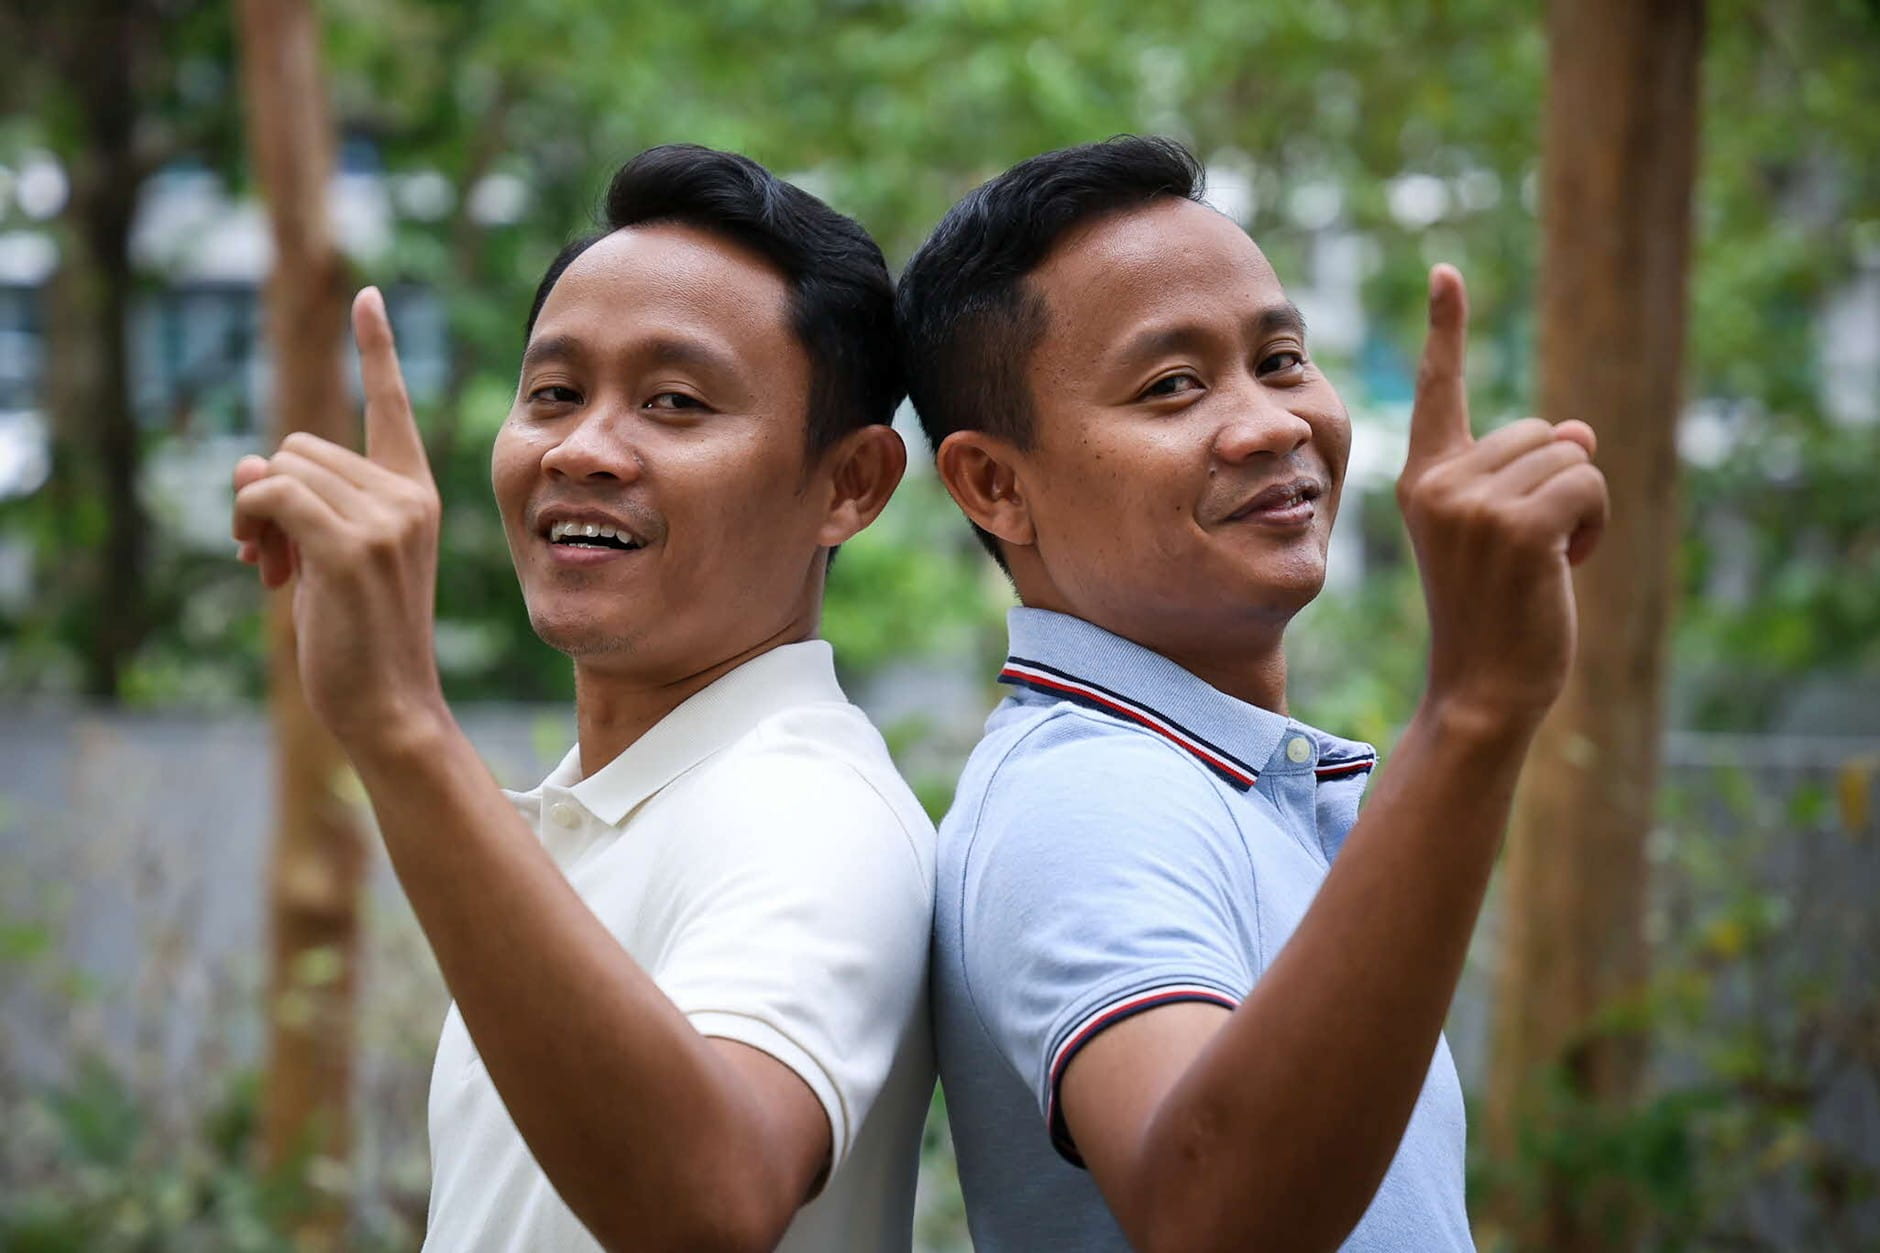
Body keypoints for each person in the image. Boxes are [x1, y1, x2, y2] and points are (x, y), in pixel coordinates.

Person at [897, 135, 1609, 1251]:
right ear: (995, 483)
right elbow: (1210, 1209)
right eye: (1171, 385)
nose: (1273, 423)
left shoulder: (1211, 778)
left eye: (1279, 360)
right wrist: (1470, 705)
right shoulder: (1086, 792)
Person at [231, 145, 935, 1252]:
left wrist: (402, 723)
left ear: (848, 485)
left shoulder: (809, 810)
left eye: (674, 401)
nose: (585, 448)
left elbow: (713, 1198)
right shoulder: (601, 808)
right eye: (554, 393)